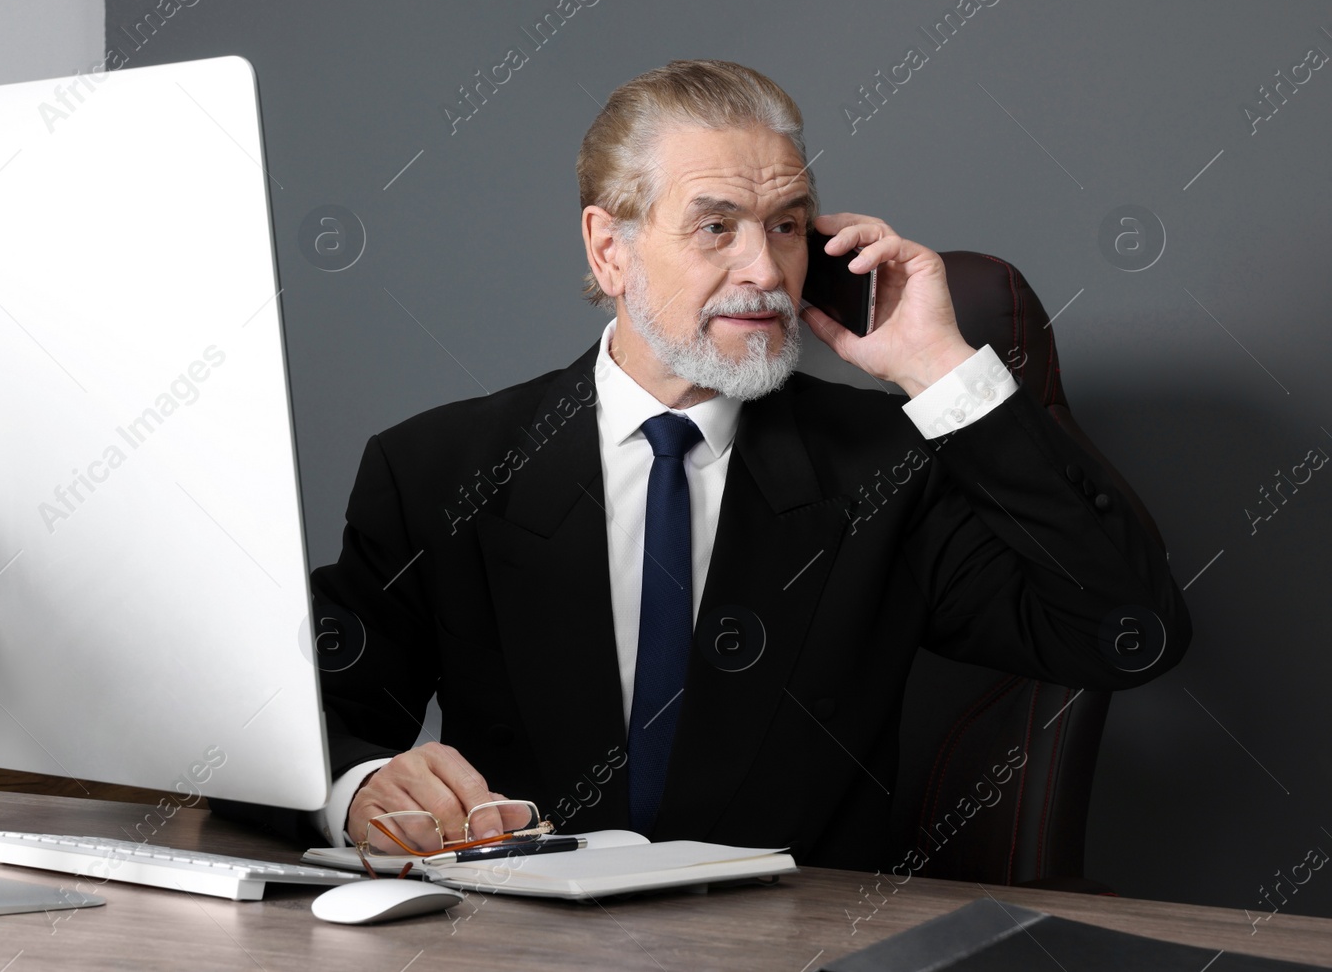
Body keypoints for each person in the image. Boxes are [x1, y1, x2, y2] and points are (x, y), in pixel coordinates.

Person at [213, 59, 1189, 870]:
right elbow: (281, 727)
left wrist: (939, 368)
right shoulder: (436, 469)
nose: (765, 269)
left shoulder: (886, 468)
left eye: (788, 224)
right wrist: (358, 790)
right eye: (716, 225)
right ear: (610, 250)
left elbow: (1124, 633)